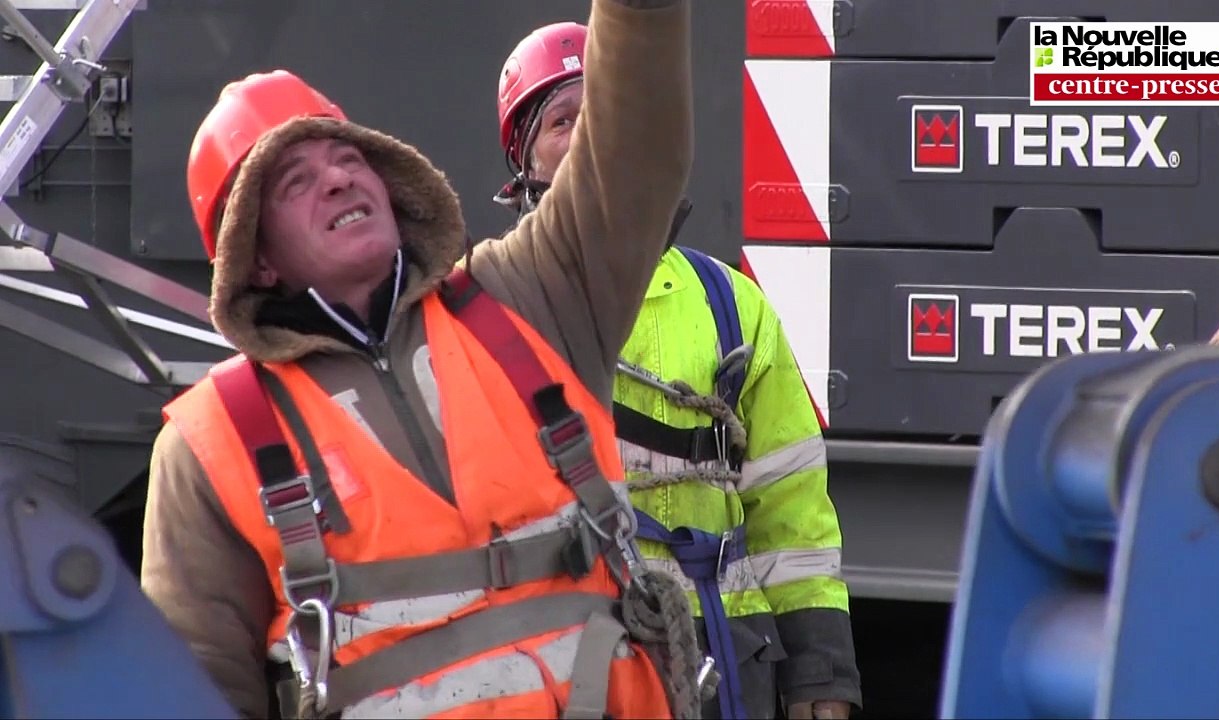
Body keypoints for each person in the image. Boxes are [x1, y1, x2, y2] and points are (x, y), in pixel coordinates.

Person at [138, 1, 699, 718]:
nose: (340, 178)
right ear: (260, 258)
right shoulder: (210, 447)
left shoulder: (528, 298)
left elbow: (634, 156)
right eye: (296, 182)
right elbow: (196, 689)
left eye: (348, 158)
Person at [493, 21, 862, 720]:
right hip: (566, 663)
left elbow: (795, 517)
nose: (585, 138)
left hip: (724, 660)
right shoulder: (488, 309)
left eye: (601, 113)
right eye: (561, 121)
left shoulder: (733, 306)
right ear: (524, 163)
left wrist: (822, 674)